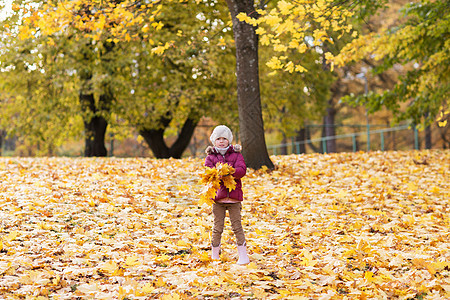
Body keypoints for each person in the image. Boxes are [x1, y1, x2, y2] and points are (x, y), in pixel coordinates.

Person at [204, 125, 250, 265]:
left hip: (234, 199)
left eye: (224, 138)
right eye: (219, 138)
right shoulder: (211, 157)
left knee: (237, 226)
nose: (222, 141)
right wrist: (216, 173)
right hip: (218, 199)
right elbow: (207, 173)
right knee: (218, 227)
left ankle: (243, 255)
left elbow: (242, 170)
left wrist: (230, 172)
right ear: (214, 140)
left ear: (229, 140)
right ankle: (215, 255)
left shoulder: (237, 155)